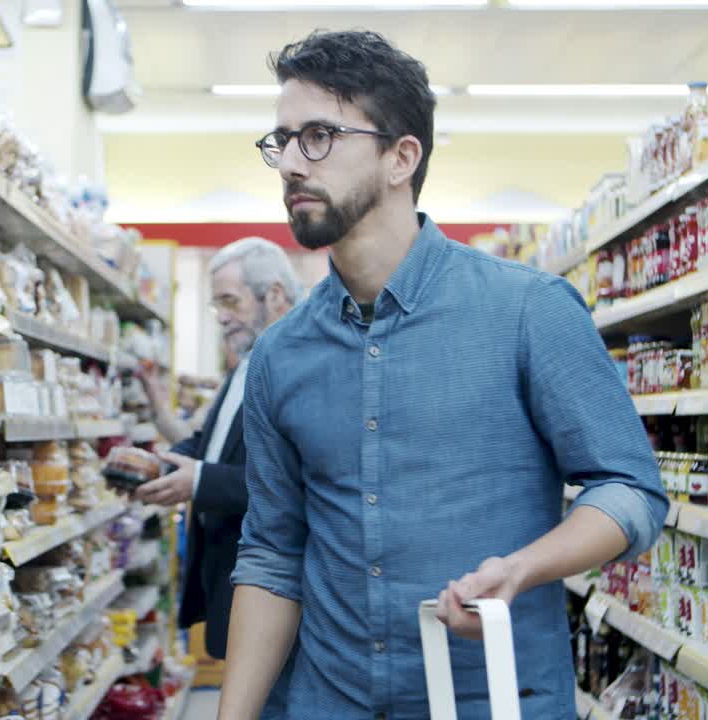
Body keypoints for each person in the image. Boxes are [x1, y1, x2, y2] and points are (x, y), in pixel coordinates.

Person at [217, 31, 668, 720]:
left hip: (493, 698)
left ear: (402, 157)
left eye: (319, 136)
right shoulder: (280, 355)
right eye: (281, 141)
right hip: (324, 701)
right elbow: (274, 554)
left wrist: (524, 568)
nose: (290, 164)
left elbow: (630, 489)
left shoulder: (527, 311)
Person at [136, 237, 301, 663]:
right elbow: (209, 442)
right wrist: (157, 465)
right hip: (228, 575)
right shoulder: (247, 364)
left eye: (231, 301)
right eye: (217, 306)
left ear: (276, 295)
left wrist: (200, 480)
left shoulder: (301, 368)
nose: (223, 318)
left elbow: (293, 480)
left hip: (270, 585)